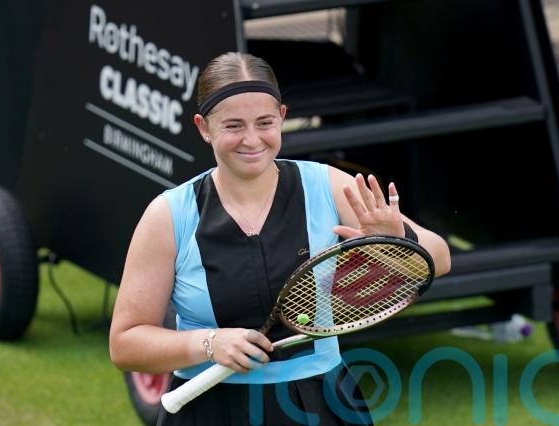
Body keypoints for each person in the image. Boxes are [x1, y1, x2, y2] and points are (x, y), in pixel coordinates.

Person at [109, 52, 451, 425]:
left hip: (320, 404)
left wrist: (397, 240)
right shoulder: (169, 214)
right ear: (203, 127)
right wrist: (208, 344)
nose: (252, 139)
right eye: (233, 125)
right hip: (208, 410)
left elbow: (439, 258)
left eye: (265, 122)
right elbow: (125, 343)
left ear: (282, 117)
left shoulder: (327, 186)